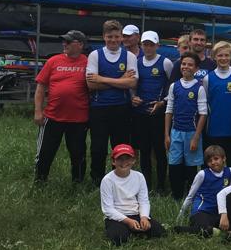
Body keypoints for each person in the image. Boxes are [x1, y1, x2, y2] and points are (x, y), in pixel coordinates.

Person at [34, 30, 90, 184]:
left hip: (78, 119)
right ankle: (40, 181)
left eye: (68, 41)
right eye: (64, 41)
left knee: (78, 153)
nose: (64, 44)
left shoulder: (88, 62)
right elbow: (40, 87)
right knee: (45, 151)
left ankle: (77, 183)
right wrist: (38, 111)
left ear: (80, 45)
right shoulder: (53, 61)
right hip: (53, 117)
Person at [86, 20, 138, 186]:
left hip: (121, 108)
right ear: (104, 37)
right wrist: (119, 80)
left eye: (117, 37)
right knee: (98, 148)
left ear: (121, 37)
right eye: (110, 37)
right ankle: (97, 182)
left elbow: (132, 83)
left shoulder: (129, 56)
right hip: (99, 108)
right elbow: (91, 85)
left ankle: (120, 181)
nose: (113, 40)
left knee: (121, 148)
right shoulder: (95, 55)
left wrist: (102, 78)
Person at [130, 30, 173, 193]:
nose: (148, 47)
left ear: (157, 46)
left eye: (151, 45)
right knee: (144, 150)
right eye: (145, 44)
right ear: (141, 45)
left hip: (158, 114)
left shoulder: (165, 62)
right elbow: (132, 85)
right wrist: (133, 98)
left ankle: (161, 185)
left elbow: (172, 87)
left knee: (160, 150)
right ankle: (146, 185)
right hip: (140, 113)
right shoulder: (137, 62)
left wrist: (162, 102)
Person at [100, 143, 165, 246]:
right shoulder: (107, 180)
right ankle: (130, 231)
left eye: (127, 159)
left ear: (133, 160)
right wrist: (128, 221)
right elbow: (108, 209)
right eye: (120, 159)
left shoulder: (139, 177)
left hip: (136, 214)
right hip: (117, 217)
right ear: (113, 161)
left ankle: (136, 230)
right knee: (118, 238)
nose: (124, 162)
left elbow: (143, 200)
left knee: (159, 231)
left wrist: (144, 217)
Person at [164, 52, 208, 200]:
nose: (186, 67)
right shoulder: (174, 86)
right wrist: (167, 135)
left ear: (196, 69)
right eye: (184, 64)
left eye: (190, 65)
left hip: (191, 133)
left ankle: (191, 196)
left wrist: (196, 137)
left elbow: (203, 114)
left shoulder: (199, 88)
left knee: (191, 166)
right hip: (176, 132)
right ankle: (176, 195)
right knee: (174, 164)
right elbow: (169, 110)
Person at [174, 145, 231, 237]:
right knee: (204, 228)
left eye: (216, 158)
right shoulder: (202, 174)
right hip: (202, 211)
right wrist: (180, 216)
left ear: (224, 158)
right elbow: (190, 196)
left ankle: (208, 230)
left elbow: (230, 195)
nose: (213, 162)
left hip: (219, 212)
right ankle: (181, 229)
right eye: (210, 161)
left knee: (227, 227)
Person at [203, 40, 231, 169]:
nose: (223, 58)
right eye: (220, 55)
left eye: (226, 55)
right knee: (213, 165)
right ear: (214, 56)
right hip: (213, 131)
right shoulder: (208, 78)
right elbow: (204, 105)